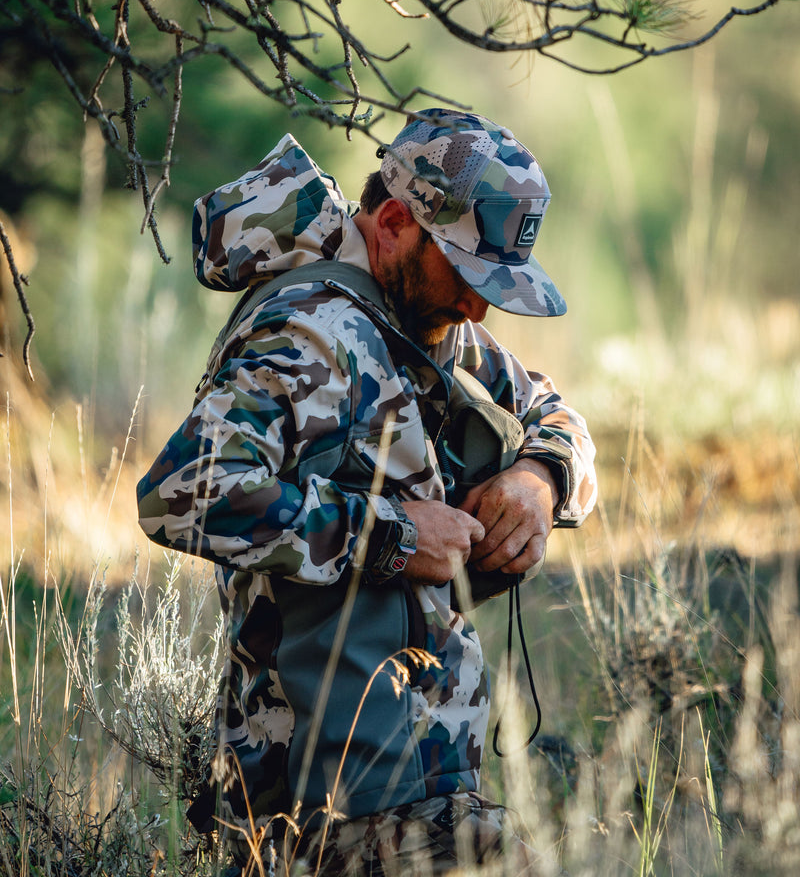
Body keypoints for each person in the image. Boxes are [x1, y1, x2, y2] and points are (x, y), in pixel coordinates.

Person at [137, 108, 597, 875]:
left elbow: (558, 416)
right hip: (336, 794)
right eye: (468, 276)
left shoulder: (420, 318)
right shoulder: (308, 336)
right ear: (392, 223)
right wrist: (394, 537)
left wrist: (539, 479)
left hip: (421, 777)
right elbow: (182, 491)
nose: (479, 308)